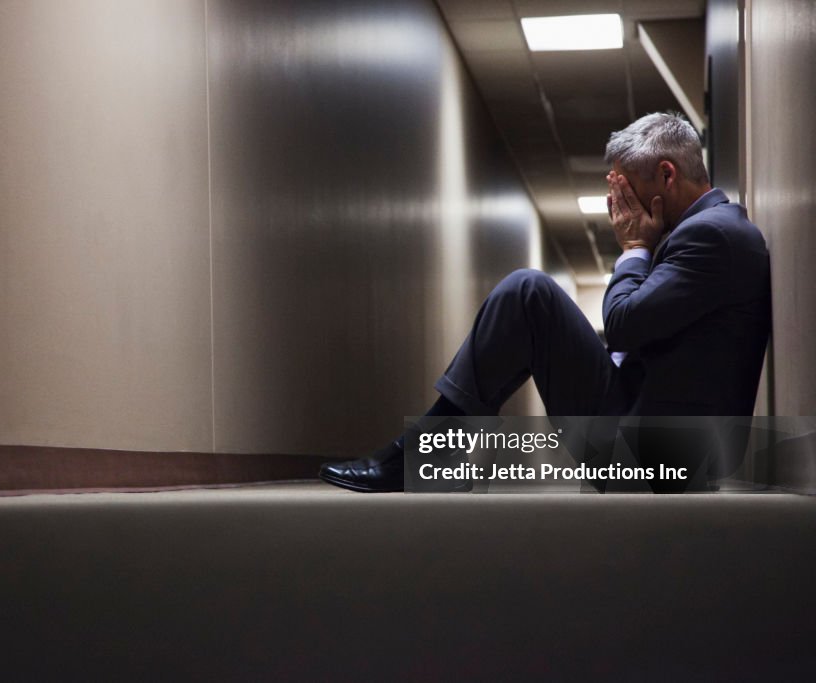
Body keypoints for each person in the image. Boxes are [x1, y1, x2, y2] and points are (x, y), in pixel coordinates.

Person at [319, 112, 772, 493]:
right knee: (528, 294)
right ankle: (433, 453)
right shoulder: (714, 232)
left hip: (659, 457)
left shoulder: (711, 234)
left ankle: (423, 456)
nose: (622, 207)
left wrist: (634, 248)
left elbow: (622, 324)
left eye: (628, 190)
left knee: (527, 291)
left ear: (667, 175)